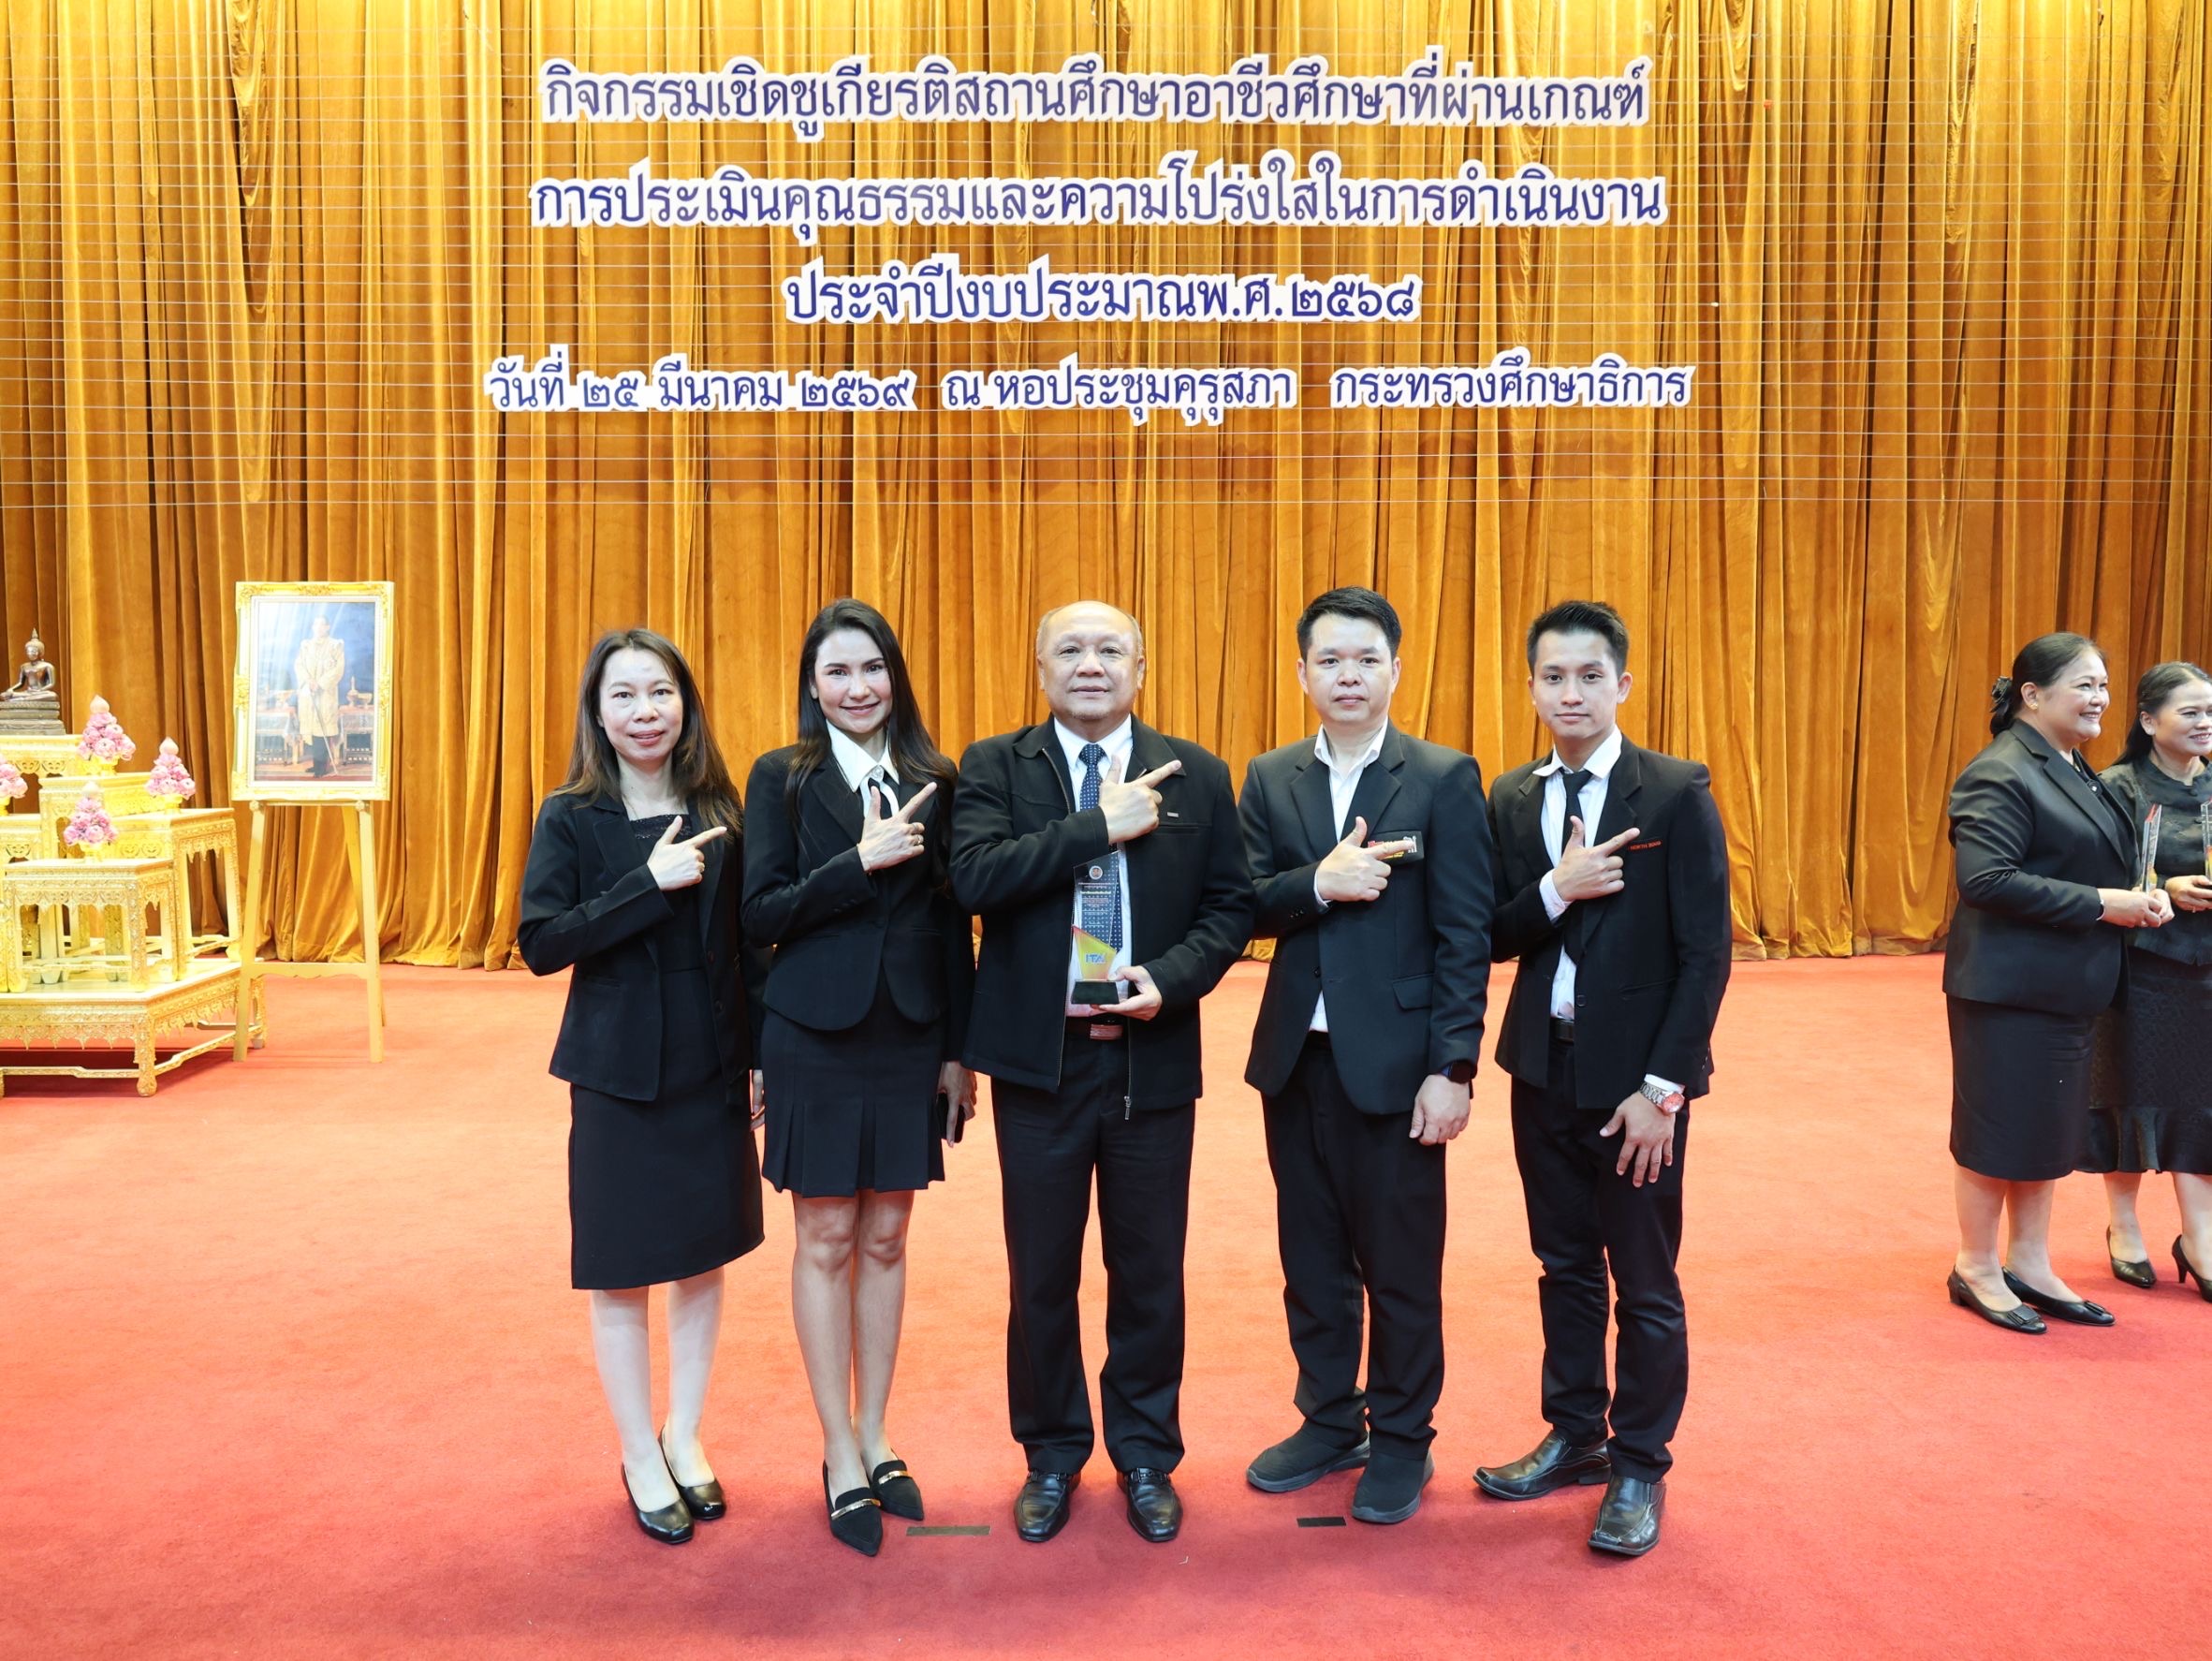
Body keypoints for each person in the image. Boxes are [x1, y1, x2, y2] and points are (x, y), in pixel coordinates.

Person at [949, 600, 1253, 1546]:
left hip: (1148, 1060)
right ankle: (1049, 1454)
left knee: (1148, 1272)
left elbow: (1230, 906)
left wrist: (1170, 979)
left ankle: (1146, 1456)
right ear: (1040, 667)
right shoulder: (994, 765)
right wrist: (1095, 827)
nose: (1090, 663)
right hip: (1038, 1066)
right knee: (1040, 1274)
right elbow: (974, 879)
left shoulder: (1197, 773)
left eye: (1109, 648)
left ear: (1140, 667)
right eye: (1070, 649)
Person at [1476, 600, 1730, 1559]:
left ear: (1621, 683)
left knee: (1644, 1280)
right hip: (1540, 1067)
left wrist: (1663, 1089)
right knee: (1564, 1266)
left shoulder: (1671, 791)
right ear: (1531, 686)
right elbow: (1493, 932)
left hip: (1635, 1089)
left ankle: (1638, 1465)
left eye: (1589, 676)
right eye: (1553, 677)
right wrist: (1556, 888)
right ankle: (1575, 1433)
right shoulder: (1510, 795)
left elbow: (1705, 954)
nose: (1570, 693)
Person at [1237, 586, 1494, 1524]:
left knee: (1399, 1265)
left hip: (1396, 1065)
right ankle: (1327, 1419)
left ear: (1394, 669)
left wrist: (1451, 1067)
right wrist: (1318, 881)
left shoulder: (1440, 776)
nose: (1347, 676)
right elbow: (1245, 901)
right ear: (1301, 672)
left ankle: (1402, 1438)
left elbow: (1463, 932)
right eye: (1329, 661)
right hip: (1293, 1061)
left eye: (1365, 660)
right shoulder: (1269, 776)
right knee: (1309, 1260)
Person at [518, 628, 767, 1547]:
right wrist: (644, 884)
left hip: (709, 1062)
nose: (644, 712)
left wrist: (758, 1055)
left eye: (659, 692)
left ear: (684, 703)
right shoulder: (570, 815)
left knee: (703, 1257)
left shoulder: (719, 807)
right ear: (598, 712)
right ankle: (636, 1450)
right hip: (617, 1072)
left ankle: (683, 1434)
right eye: (622, 696)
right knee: (622, 1269)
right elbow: (541, 942)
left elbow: (746, 944)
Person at [741, 599, 977, 1556]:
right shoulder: (782, 778)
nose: (857, 687)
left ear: (895, 676)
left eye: (871, 668)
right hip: (813, 1031)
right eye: (837, 672)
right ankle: (836, 1448)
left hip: (911, 1032)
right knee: (827, 1232)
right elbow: (759, 913)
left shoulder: (936, 778)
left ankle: (876, 1432)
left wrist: (959, 1048)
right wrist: (856, 863)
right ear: (812, 685)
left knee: (886, 1235)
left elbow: (954, 922)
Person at [1943, 632, 2170, 1336]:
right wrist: (2105, 903)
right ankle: (1976, 1266)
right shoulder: (2001, 770)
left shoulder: (2072, 765)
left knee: (2045, 1129)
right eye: (2084, 685)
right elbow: (1986, 880)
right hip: (2009, 990)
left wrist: (2144, 895)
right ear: (2032, 694)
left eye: (2103, 685)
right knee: (1996, 1130)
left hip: (2064, 985)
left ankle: (2030, 1262)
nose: (2100, 698)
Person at [2081, 661, 2212, 1299]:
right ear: (2148, 721)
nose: (2204, 723)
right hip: (2140, 968)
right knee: (2129, 1094)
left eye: (2210, 711)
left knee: (2203, 1104)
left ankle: (2199, 1236)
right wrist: (2164, 886)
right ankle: (2123, 1225)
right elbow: (2094, 878)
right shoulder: (2118, 787)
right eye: (2190, 712)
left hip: (2207, 972)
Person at [292, 615, 345, 776]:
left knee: (323, 729)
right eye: (316, 624)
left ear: (328, 627)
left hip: (325, 694)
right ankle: (317, 765)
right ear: (313, 627)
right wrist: (308, 681)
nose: (319, 628)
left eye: (322, 625)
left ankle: (323, 767)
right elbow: (299, 665)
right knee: (313, 730)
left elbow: (338, 669)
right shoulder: (306, 646)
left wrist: (320, 683)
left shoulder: (336, 645)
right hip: (309, 693)